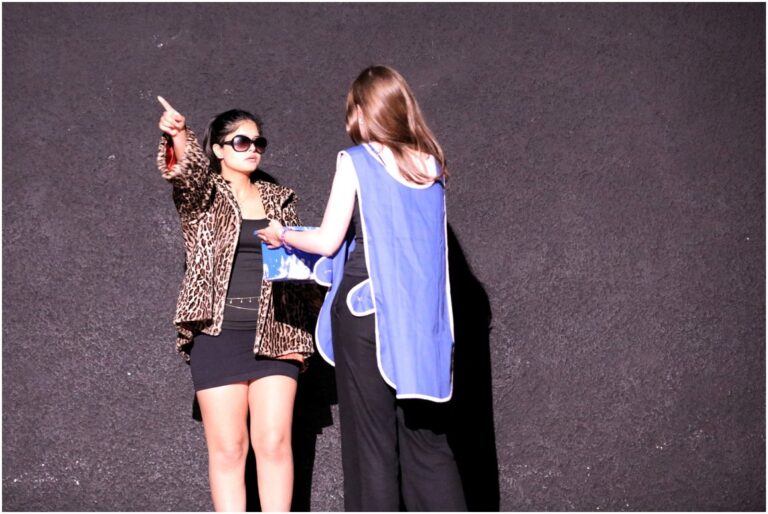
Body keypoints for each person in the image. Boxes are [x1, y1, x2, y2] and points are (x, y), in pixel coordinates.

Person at [258, 66, 467, 511]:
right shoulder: (431, 165)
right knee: (427, 443)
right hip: (421, 325)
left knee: (371, 444)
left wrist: (283, 234)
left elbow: (327, 241)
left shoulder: (356, 160)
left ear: (362, 110)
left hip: (366, 311)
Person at [155, 97, 315, 512]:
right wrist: (179, 135)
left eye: (258, 142)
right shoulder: (203, 196)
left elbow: (299, 266)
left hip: (277, 331)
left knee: (274, 442)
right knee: (229, 449)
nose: (253, 148)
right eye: (241, 142)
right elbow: (186, 175)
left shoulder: (280, 199)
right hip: (218, 334)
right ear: (219, 149)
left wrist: (305, 327)